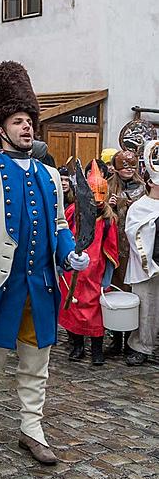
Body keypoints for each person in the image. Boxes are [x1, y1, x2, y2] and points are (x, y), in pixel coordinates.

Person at [0, 61, 89, 467]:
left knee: (36, 365)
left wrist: (68, 252)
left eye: (29, 120)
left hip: (41, 286)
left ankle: (32, 429)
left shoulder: (48, 175)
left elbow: (60, 223)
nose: (27, 127)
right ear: (2, 129)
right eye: (17, 120)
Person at [59, 165, 119, 365]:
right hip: (73, 272)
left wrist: (106, 279)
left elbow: (110, 250)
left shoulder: (108, 219)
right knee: (72, 309)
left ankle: (96, 349)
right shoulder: (73, 212)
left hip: (96, 274)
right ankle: (76, 346)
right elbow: (62, 234)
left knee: (95, 314)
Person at [106, 150, 145, 357]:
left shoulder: (144, 189)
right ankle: (116, 338)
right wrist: (108, 206)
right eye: (124, 166)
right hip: (114, 249)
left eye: (131, 166)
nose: (128, 170)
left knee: (133, 294)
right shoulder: (109, 187)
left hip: (136, 251)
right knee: (116, 291)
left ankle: (132, 339)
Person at [124, 141, 159, 366]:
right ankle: (140, 347)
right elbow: (133, 232)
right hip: (149, 265)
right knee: (147, 307)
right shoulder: (140, 206)